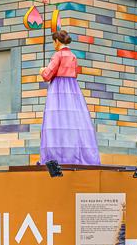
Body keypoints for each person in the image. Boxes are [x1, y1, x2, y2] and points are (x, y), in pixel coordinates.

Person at [40, 29, 100, 166]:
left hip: (58, 90)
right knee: (72, 121)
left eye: (53, 42)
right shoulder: (73, 56)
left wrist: (42, 71)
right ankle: (75, 155)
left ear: (56, 41)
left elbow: (47, 75)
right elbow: (75, 73)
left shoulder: (57, 55)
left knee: (56, 121)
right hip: (72, 90)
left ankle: (57, 156)